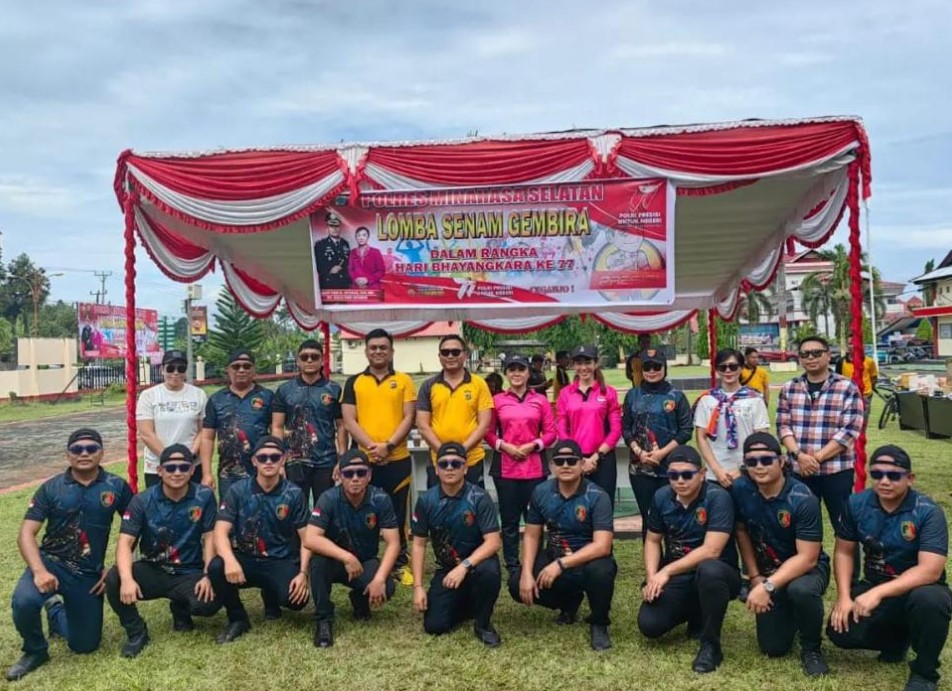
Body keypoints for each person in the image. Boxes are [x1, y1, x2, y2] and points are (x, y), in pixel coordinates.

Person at [7, 430, 133, 681]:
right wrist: (39, 571)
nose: (84, 453)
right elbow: (26, 534)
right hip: (50, 564)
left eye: (91, 448)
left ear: (102, 453)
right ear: (68, 455)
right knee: (24, 601)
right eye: (77, 449)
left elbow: (135, 528)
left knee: (85, 645)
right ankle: (35, 651)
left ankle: (55, 612)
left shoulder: (116, 486)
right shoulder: (51, 488)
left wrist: (115, 569)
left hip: (87, 573)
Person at [827, 445, 951, 691]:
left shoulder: (928, 512)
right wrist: (843, 597)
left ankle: (925, 673)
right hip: (877, 583)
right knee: (839, 631)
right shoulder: (856, 503)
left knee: (931, 601)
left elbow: (930, 570)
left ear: (910, 478)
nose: (884, 481)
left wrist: (877, 593)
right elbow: (843, 551)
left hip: (919, 589)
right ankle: (896, 641)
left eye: (893, 475)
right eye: (877, 474)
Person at [104, 445, 220, 658]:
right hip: (153, 569)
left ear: (191, 470)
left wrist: (208, 575)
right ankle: (136, 632)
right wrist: (127, 579)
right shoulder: (141, 500)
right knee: (114, 579)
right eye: (170, 468)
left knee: (208, 604)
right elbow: (125, 543)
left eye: (183, 467)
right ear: (159, 471)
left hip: (189, 570)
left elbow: (211, 537)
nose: (177, 473)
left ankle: (180, 609)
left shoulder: (204, 496)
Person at [730, 432, 830, 677]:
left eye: (766, 460)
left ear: (782, 461)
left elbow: (808, 558)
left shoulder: (803, 498)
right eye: (752, 461)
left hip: (807, 570)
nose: (759, 466)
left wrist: (767, 586)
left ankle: (811, 648)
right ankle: (789, 611)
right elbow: (741, 530)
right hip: (768, 572)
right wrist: (755, 577)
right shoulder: (741, 489)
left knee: (801, 590)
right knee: (773, 648)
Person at [637, 446, 740, 674]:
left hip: (719, 574)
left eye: (687, 474)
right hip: (680, 573)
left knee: (709, 570)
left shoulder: (718, 498)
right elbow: (652, 540)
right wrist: (652, 577)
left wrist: (666, 571)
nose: (680, 481)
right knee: (650, 625)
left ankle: (711, 646)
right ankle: (696, 613)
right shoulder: (661, 496)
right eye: (673, 475)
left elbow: (712, 550)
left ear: (702, 474)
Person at [510, 440, 617, 651]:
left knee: (601, 571)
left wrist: (560, 565)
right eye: (559, 461)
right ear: (552, 466)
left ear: (582, 464)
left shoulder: (598, 496)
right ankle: (569, 602)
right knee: (515, 585)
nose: (565, 465)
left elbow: (602, 546)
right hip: (555, 555)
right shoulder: (541, 492)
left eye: (571, 461)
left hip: (588, 560)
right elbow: (531, 535)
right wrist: (526, 573)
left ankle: (599, 622)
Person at [207, 437, 315, 644]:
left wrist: (303, 573)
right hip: (246, 559)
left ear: (283, 459)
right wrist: (230, 560)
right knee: (216, 568)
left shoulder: (294, 494)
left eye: (274, 457)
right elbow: (220, 532)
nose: (268, 461)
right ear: (254, 461)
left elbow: (307, 539)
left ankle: (271, 596)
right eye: (263, 457)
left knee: (297, 601)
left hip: (280, 560)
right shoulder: (237, 491)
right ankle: (238, 619)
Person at [341, 328, 417, 585]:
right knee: (363, 512)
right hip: (364, 463)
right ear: (366, 351)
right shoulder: (353, 382)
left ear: (392, 351)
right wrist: (373, 448)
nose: (378, 351)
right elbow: (349, 420)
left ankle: (399, 563)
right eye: (373, 347)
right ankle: (365, 561)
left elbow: (409, 416)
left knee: (397, 513)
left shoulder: (404, 380)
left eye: (383, 347)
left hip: (398, 458)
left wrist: (389, 446)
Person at [305, 450, 401, 648]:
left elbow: (393, 543)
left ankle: (360, 599)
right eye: (348, 474)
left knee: (387, 586)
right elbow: (310, 538)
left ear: (369, 475)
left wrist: (379, 579)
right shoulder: (328, 498)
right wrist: (346, 557)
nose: (355, 478)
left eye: (360, 472)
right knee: (317, 563)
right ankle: (324, 620)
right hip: (334, 561)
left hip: (364, 561)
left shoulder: (380, 499)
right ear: (340, 477)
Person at [410, 442, 503, 647]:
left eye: (456, 463)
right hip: (448, 569)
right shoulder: (426, 501)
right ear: (436, 469)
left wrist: (465, 566)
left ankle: (483, 623)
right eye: (444, 464)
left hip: (477, 565)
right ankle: (467, 602)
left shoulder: (480, 497)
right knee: (435, 625)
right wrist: (418, 587)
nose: (450, 468)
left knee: (490, 571)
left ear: (465, 468)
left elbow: (493, 542)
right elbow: (418, 545)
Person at [776, 335, 864, 532]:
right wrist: (799, 456)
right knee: (802, 527)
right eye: (805, 354)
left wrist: (814, 459)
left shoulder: (847, 387)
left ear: (828, 355)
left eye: (816, 353)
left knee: (845, 527)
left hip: (836, 470)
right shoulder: (790, 388)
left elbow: (849, 431)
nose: (810, 358)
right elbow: (783, 426)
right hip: (799, 470)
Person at [485, 354, 557, 574]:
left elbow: (551, 433)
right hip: (506, 469)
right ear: (506, 373)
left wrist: (533, 445)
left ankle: (534, 562)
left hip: (534, 469)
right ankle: (512, 565)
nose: (516, 374)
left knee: (535, 520)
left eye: (521, 369)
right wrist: (504, 446)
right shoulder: (497, 400)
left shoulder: (540, 400)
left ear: (528, 373)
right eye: (512, 369)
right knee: (509, 521)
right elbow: (488, 432)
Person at [622, 348, 693, 539]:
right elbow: (626, 429)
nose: (652, 371)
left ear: (664, 368)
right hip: (640, 467)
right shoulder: (633, 395)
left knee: (672, 517)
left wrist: (662, 453)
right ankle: (651, 558)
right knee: (648, 518)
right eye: (647, 367)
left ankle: (672, 556)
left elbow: (686, 430)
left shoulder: (676, 396)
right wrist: (639, 452)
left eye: (657, 366)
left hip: (670, 467)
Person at [272, 339, 345, 505]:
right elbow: (277, 426)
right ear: (298, 361)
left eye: (314, 356)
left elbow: (341, 426)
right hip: (294, 460)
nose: (309, 360)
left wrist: (342, 457)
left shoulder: (334, 389)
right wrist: (278, 460)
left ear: (322, 360)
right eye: (304, 357)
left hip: (326, 461)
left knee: (325, 508)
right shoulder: (285, 390)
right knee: (296, 508)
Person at [416, 335, 494, 489]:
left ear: (465, 355)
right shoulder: (428, 385)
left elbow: (484, 424)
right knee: (436, 503)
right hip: (438, 461)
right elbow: (422, 425)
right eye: (445, 352)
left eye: (455, 352)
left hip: (471, 460)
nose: (450, 356)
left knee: (472, 503)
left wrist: (461, 451)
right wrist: (444, 452)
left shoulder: (479, 384)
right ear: (439, 356)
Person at [199, 349, 274, 498]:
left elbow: (276, 430)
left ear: (254, 370)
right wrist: (207, 473)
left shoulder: (267, 396)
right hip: (228, 472)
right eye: (236, 366)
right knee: (230, 510)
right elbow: (207, 438)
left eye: (246, 366)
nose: (241, 370)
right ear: (228, 370)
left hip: (261, 468)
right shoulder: (216, 400)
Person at [694, 348, 771, 489]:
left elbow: (761, 438)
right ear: (717, 370)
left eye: (733, 366)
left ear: (741, 368)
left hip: (747, 472)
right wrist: (717, 470)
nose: (728, 371)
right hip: (714, 474)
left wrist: (742, 469)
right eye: (722, 367)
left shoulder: (754, 400)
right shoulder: (707, 400)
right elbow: (701, 437)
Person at [556, 345, 622, 508]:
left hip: (602, 458)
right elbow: (561, 428)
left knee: (604, 507)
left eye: (588, 362)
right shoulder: (565, 393)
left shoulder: (608, 392)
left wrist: (595, 457)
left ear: (596, 363)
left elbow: (615, 430)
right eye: (579, 363)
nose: (583, 367)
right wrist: (578, 458)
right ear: (573, 365)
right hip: (574, 459)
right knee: (575, 509)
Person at [136, 349, 207, 488]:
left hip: (191, 465)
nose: (175, 373)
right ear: (162, 369)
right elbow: (146, 433)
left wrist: (190, 455)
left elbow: (203, 430)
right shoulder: (148, 396)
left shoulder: (199, 394)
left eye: (181, 368)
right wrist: (168, 458)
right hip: (158, 466)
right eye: (170, 368)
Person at [835, 351, 879, 431]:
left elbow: (873, 377)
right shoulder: (841, 361)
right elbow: (837, 378)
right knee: (846, 419)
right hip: (847, 394)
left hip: (865, 395)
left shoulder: (869, 361)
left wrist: (868, 388)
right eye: (850, 344)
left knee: (863, 420)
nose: (853, 346)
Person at [314, 211, 351, 290]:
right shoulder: (320, 245)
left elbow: (349, 263)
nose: (334, 229)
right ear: (327, 227)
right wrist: (329, 270)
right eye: (331, 226)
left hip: (344, 285)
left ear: (340, 227)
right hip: (328, 285)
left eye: (337, 226)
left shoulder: (345, 244)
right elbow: (317, 266)